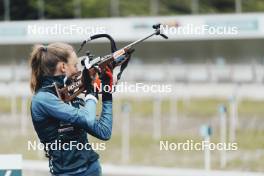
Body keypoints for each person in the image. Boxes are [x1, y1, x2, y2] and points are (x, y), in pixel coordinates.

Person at [29, 42, 113, 176]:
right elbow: (88, 118)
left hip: (92, 168)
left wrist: (107, 92)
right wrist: (91, 92)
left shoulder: (67, 95)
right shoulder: (42, 99)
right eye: (74, 65)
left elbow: (104, 132)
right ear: (63, 67)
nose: (77, 70)